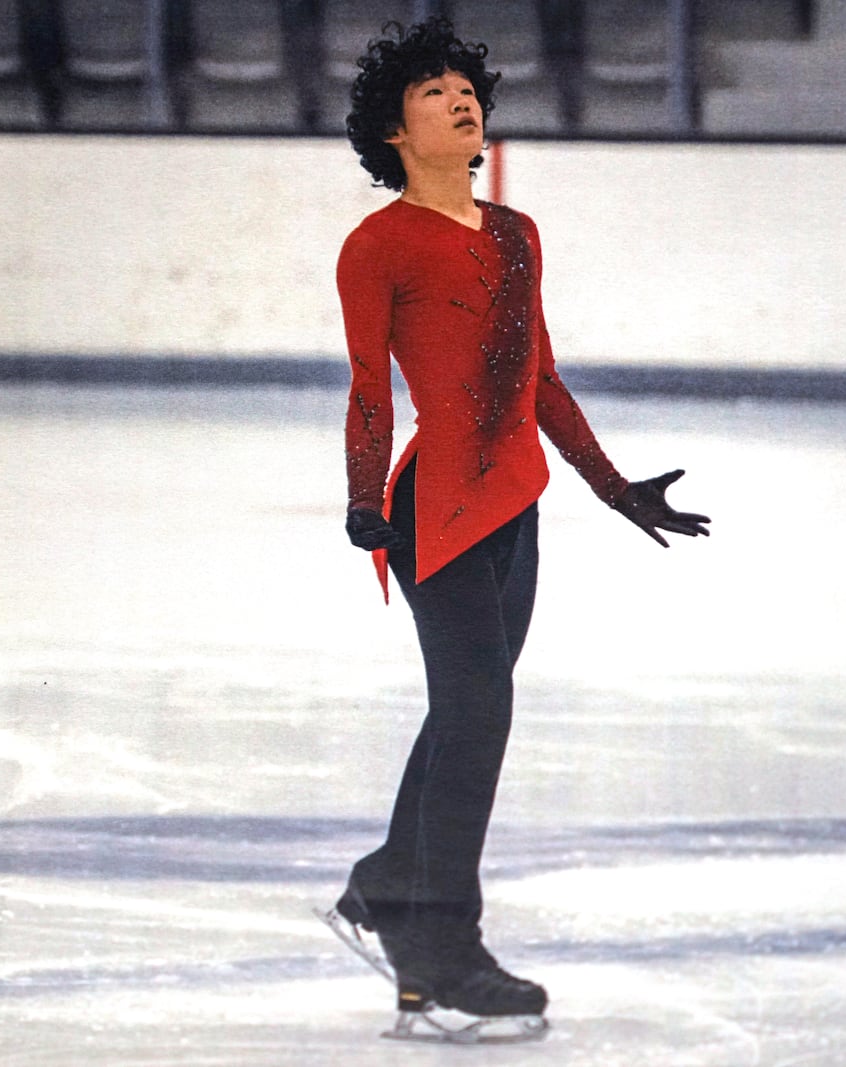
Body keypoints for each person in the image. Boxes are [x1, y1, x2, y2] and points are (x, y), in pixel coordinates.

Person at [330, 17, 710, 1023]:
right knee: (476, 715)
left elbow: (539, 377)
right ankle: (445, 949)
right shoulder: (376, 246)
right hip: (431, 513)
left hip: (513, 508)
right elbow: (371, 387)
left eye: (467, 88)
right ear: (397, 133)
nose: (461, 100)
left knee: (466, 711)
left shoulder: (514, 234)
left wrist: (614, 486)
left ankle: (385, 888)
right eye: (432, 93)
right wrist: (365, 498)